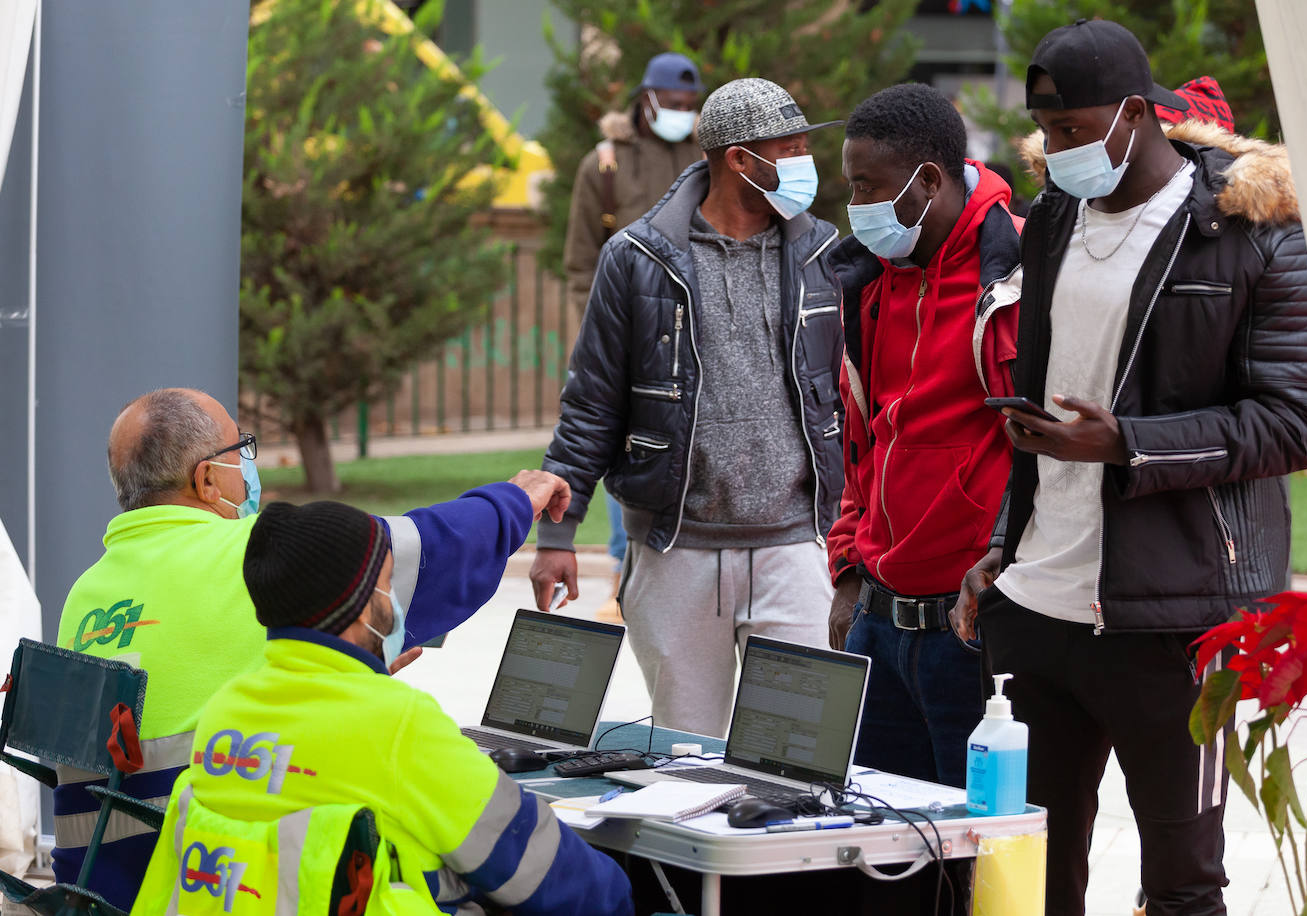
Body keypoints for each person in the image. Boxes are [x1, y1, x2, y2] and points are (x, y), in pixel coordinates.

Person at [952, 20, 1307, 915]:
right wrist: (1005, 546)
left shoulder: (1249, 231)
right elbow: (1048, 404)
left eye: (1074, 131)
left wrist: (1127, 443)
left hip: (1175, 619)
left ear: (1138, 114)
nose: (1055, 152)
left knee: (1181, 883)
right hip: (1037, 611)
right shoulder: (1054, 215)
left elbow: (1300, 422)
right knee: (1028, 875)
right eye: (1045, 133)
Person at [54, 387, 569, 909]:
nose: (250, 465)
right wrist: (515, 499)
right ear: (207, 480)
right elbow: (417, 550)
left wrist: (341, 672)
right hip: (210, 870)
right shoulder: (250, 552)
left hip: (101, 882)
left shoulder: (86, 592)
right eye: (241, 450)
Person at [130, 499, 632, 915]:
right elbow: (537, 865)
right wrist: (628, 896)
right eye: (389, 582)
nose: (394, 601)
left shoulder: (226, 708)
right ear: (358, 603)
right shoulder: (397, 722)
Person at [530, 78, 846, 737]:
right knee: (686, 761)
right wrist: (558, 535)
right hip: (676, 550)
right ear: (737, 158)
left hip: (794, 546)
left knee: (796, 758)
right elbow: (591, 403)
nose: (802, 164)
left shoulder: (823, 254)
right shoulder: (638, 260)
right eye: (787, 149)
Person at [825, 83, 1022, 784]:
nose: (856, 206)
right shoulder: (868, 281)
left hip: (972, 628)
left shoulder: (1017, 272)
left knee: (978, 861)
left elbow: (1040, 444)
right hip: (876, 619)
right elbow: (859, 442)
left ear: (928, 181)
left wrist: (1003, 556)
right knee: (886, 855)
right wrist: (847, 569)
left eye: (867, 186)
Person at [564, 52, 706, 622]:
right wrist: (600, 332)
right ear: (646, 99)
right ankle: (624, 581)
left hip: (695, 329)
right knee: (618, 449)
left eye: (688, 106)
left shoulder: (707, 157)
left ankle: (679, 574)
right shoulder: (604, 163)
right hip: (625, 332)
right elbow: (579, 262)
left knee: (684, 447)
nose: (681, 114)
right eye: (671, 104)